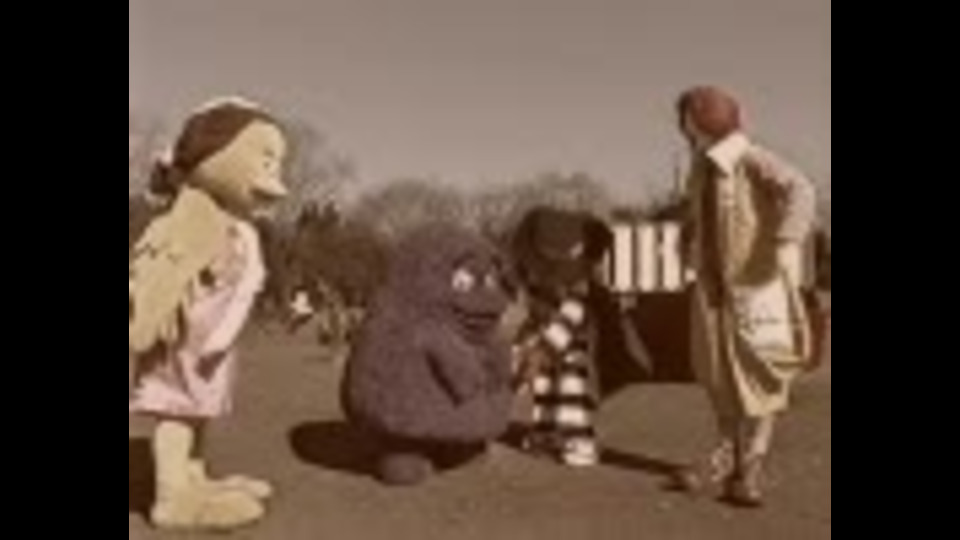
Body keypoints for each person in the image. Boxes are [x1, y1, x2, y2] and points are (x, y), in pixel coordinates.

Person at [129, 98, 288, 531]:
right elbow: (157, 278)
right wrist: (145, 324)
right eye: (264, 159)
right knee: (177, 412)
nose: (273, 175)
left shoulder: (229, 222)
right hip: (181, 343)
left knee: (196, 411)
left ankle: (192, 479)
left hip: (209, 346)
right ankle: (171, 498)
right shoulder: (192, 216)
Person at [675, 86, 817, 507]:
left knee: (759, 374)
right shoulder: (700, 169)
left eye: (686, 118)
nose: (683, 127)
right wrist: (687, 242)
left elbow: (801, 189)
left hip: (756, 289)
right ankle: (724, 456)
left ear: (697, 120)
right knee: (718, 373)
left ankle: (752, 463)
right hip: (713, 289)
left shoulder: (751, 158)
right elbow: (696, 215)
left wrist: (787, 241)